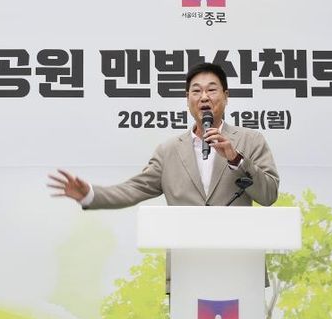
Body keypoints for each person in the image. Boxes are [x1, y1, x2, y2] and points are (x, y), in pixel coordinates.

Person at [48, 62, 279, 209]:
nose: (204, 97)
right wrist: (90, 194)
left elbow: (269, 195)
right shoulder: (169, 151)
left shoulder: (250, 141)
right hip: (185, 260)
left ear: (226, 96)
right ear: (187, 99)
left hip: (239, 258)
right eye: (196, 91)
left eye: (211, 90)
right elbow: (134, 189)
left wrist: (236, 159)